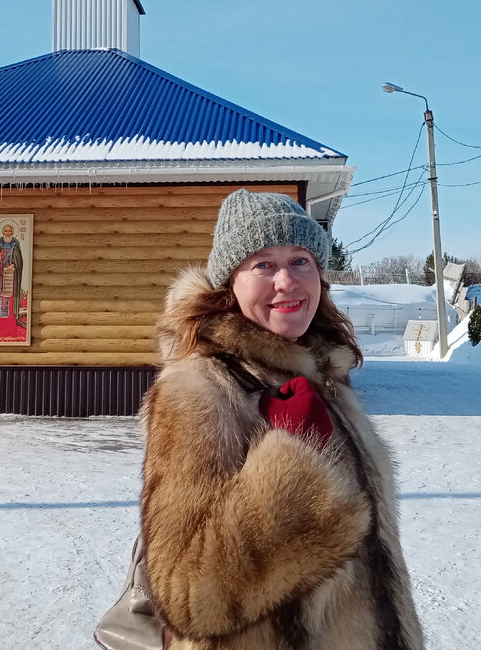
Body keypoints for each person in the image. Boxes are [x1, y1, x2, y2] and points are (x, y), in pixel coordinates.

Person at [139, 189, 425, 649]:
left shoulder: (326, 377)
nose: (287, 282)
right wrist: (297, 460)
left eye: (300, 261)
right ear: (228, 284)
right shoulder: (201, 388)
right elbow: (188, 595)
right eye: (262, 265)